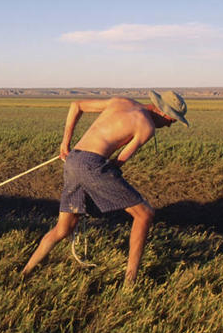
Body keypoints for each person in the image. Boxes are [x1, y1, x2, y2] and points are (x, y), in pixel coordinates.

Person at [22, 90, 189, 282]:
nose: (168, 126)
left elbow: (76, 105)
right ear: (164, 113)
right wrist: (102, 173)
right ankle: (130, 282)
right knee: (144, 214)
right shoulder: (147, 127)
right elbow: (118, 162)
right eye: (172, 121)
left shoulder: (121, 101)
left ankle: (25, 272)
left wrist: (65, 144)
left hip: (74, 159)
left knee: (63, 228)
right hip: (92, 164)